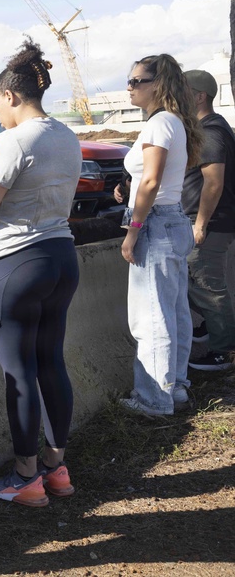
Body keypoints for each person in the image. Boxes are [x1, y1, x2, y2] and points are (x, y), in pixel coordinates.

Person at [0, 39, 82, 508]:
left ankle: (25, 477)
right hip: (60, 256)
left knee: (18, 371)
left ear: (11, 96)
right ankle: (56, 468)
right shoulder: (65, 136)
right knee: (52, 359)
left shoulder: (14, 140)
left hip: (15, 263)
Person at [117, 55, 202, 416]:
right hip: (172, 219)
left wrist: (133, 231)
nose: (130, 87)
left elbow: (151, 181)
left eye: (137, 81)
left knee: (151, 314)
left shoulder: (159, 123)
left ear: (158, 84)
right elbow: (151, 180)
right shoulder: (174, 122)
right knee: (174, 309)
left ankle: (154, 399)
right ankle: (175, 387)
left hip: (156, 223)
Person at [182, 70, 235, 372]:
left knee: (207, 286)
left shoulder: (210, 131)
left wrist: (200, 223)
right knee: (194, 282)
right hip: (210, 222)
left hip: (209, 225)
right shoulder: (211, 128)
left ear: (200, 96)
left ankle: (224, 350)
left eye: (183, 91)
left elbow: (213, 182)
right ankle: (215, 328)